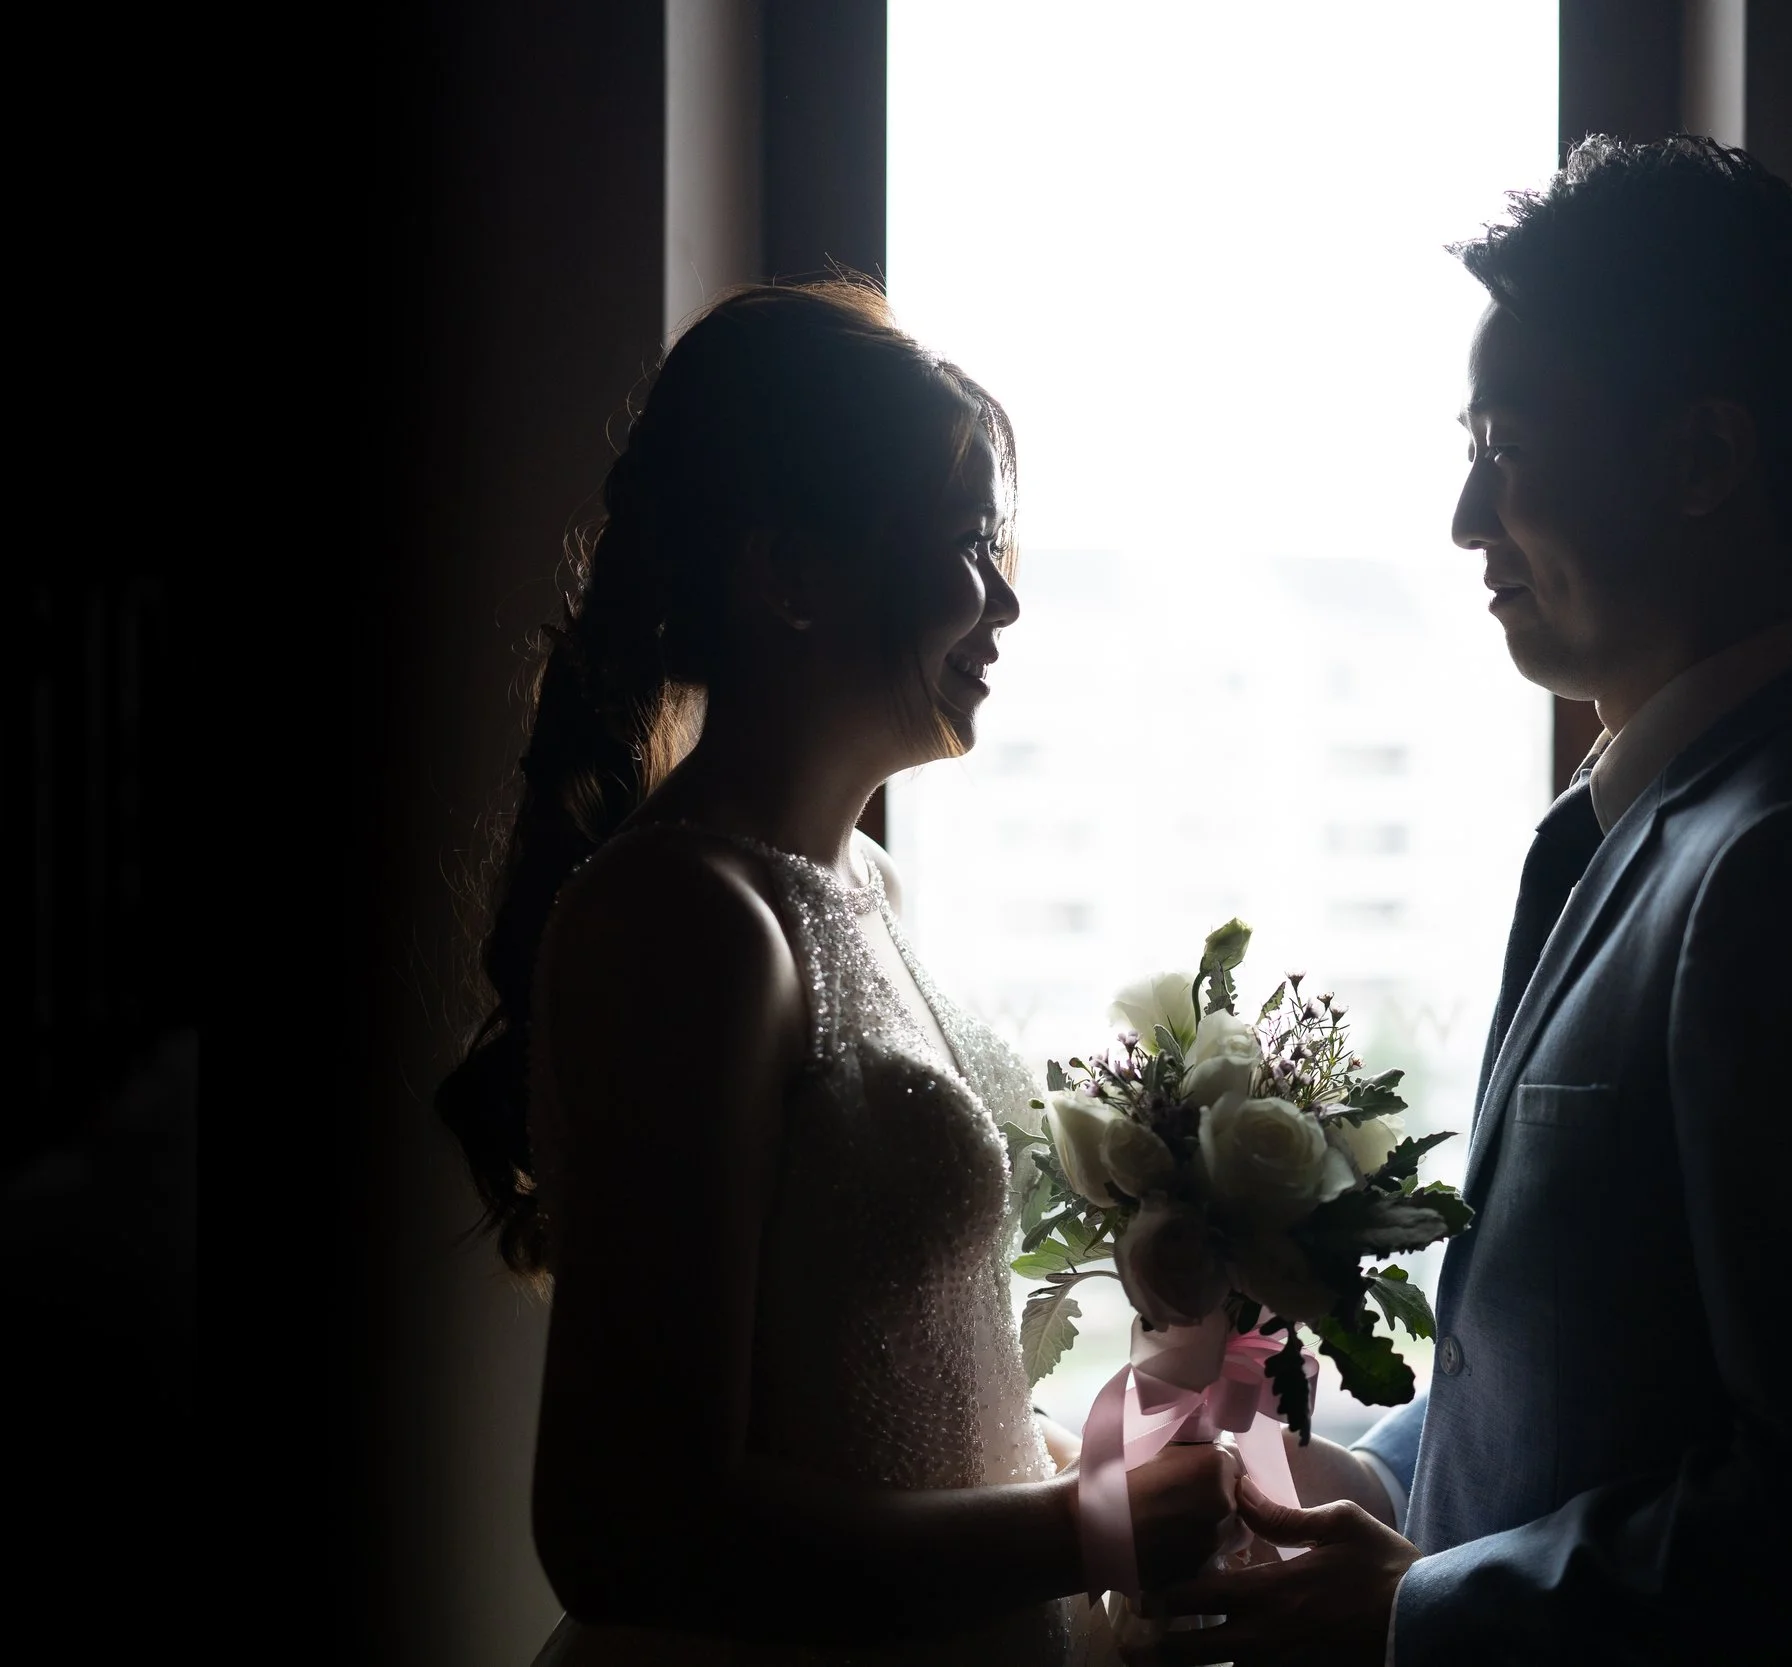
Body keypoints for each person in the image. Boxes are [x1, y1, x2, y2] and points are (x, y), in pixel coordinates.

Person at [1139, 135, 1792, 1665]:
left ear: (1702, 462)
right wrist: (1355, 1484)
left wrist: (1412, 1608)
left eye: (1508, 444)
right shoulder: (1628, 831)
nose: (1465, 516)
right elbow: (1569, 1394)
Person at [434, 279, 1265, 1665]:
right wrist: (1089, 1529)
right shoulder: (684, 922)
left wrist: (1091, 1462)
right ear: (789, 576)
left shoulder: (868, 886)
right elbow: (628, 1527)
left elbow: (874, 1390)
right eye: (966, 543)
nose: (1006, 598)